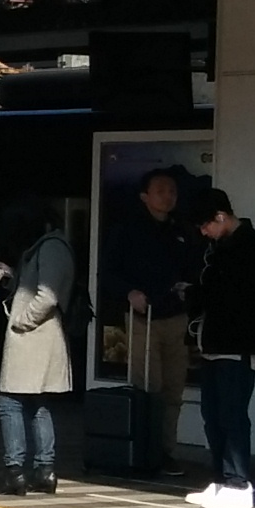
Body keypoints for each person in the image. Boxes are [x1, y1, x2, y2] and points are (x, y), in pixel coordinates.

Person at [183, 187, 255, 508]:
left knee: (231, 414)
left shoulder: (249, 248)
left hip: (238, 347)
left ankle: (238, 482)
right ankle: (221, 480)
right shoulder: (224, 247)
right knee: (213, 415)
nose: (204, 232)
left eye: (206, 225)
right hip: (218, 345)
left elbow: (229, 297)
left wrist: (194, 295)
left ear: (221, 217)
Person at [98, 164, 196, 474]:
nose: (168, 197)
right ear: (144, 196)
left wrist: (187, 288)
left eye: (172, 191)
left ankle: (166, 452)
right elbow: (108, 273)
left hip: (176, 317)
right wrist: (130, 293)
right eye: (161, 191)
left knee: (173, 390)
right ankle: (142, 449)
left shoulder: (182, 230)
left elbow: (193, 268)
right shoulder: (127, 230)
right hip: (144, 318)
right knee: (147, 387)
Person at [0, 204, 78, 495]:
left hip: (34, 337)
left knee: (10, 402)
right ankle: (44, 470)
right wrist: (12, 276)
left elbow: (47, 296)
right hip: (40, 336)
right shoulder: (52, 247)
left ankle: (15, 471)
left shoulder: (51, 247)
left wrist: (20, 320)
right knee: (37, 403)